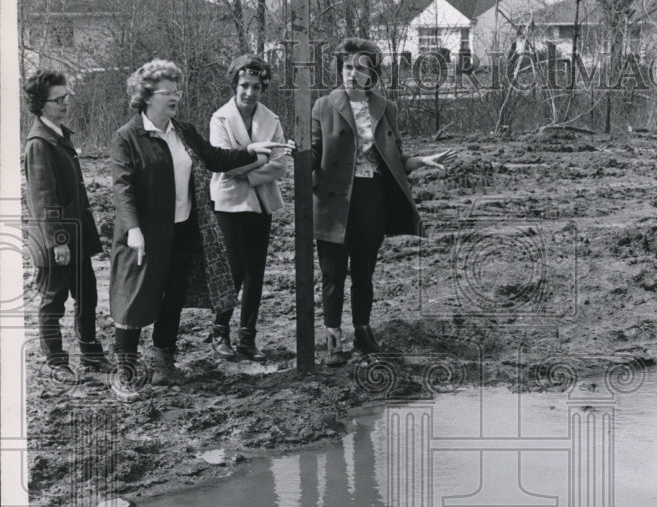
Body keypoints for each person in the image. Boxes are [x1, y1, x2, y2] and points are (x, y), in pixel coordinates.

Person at [109, 58, 283, 401]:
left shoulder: (183, 130)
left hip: (182, 230)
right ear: (147, 96)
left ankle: (163, 362)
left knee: (173, 297)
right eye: (168, 92)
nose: (176, 96)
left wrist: (250, 151)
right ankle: (124, 374)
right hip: (142, 236)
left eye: (178, 90)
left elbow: (215, 158)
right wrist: (133, 229)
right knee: (133, 301)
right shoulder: (127, 136)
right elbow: (122, 188)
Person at [311, 37, 456, 365]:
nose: (352, 74)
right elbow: (314, 155)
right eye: (347, 67)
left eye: (361, 69)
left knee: (364, 273)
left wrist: (421, 161)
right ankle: (332, 339)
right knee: (333, 274)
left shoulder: (385, 108)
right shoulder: (323, 106)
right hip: (334, 203)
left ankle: (363, 333)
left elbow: (395, 159)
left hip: (371, 199)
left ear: (372, 74)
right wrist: (298, 155)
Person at [23, 70, 108, 383]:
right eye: (57, 100)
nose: (65, 103)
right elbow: (43, 198)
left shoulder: (58, 134)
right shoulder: (39, 143)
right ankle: (56, 362)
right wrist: (58, 241)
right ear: (40, 105)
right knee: (53, 301)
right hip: (55, 239)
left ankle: (90, 354)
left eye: (66, 97)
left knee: (87, 295)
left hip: (76, 235)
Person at [209, 55, 291, 362]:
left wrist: (245, 167)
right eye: (244, 85)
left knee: (255, 271)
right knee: (234, 270)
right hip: (229, 202)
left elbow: (280, 165)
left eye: (256, 86)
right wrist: (257, 161)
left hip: (261, 201)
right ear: (235, 85)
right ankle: (220, 332)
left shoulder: (272, 120)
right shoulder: (220, 119)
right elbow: (223, 163)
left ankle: (247, 337)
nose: (249, 92)